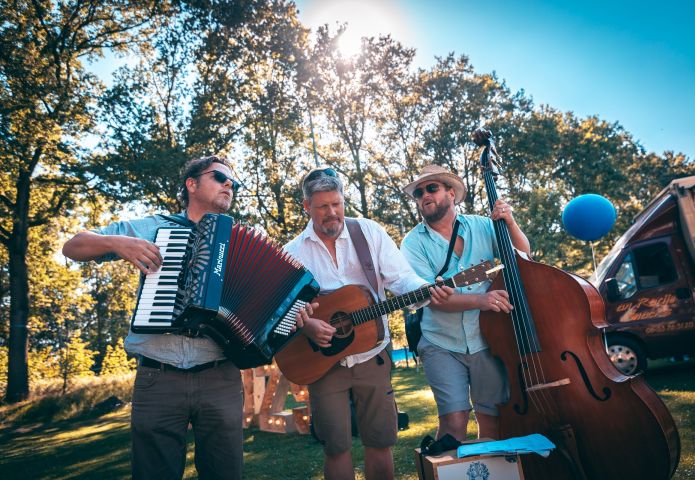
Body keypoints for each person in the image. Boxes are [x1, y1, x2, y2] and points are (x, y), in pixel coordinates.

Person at [62, 155, 244, 480]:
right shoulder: (154, 227)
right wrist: (117, 243)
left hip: (221, 378)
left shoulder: (240, 242)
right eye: (220, 177)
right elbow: (73, 246)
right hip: (159, 379)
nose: (229, 185)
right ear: (191, 183)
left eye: (234, 182)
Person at [285, 167, 452, 480]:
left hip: (371, 355)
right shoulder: (292, 253)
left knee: (380, 440)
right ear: (307, 207)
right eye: (322, 207)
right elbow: (281, 309)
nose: (332, 213)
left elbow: (401, 278)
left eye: (337, 204)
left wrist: (425, 288)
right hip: (322, 363)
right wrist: (306, 325)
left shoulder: (368, 233)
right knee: (335, 446)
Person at [400, 164, 531, 442]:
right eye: (419, 192)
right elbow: (430, 299)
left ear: (451, 193)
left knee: (493, 420)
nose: (424, 195)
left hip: (488, 339)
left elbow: (522, 256)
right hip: (440, 342)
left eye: (431, 188)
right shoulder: (412, 243)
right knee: (453, 421)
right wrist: (481, 299)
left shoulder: (483, 225)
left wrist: (510, 222)